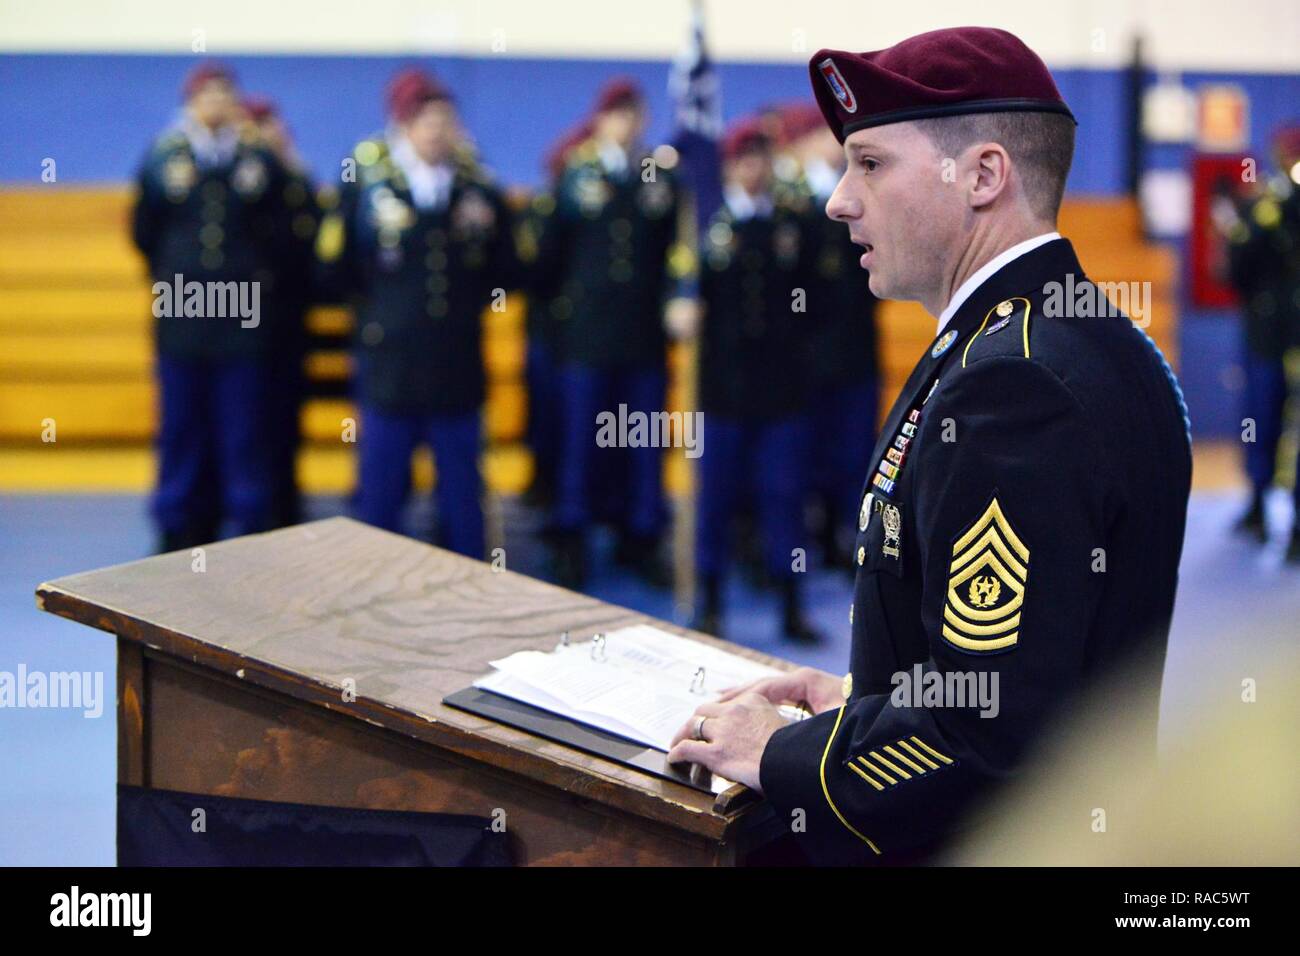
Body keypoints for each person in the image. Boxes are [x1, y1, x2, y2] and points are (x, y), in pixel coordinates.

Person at [668, 27, 1192, 863]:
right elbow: (1035, 664)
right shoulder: (1079, 335)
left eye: (870, 164)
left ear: (982, 175)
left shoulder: (1015, 385)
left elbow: (981, 730)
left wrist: (781, 751)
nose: (840, 199)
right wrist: (859, 698)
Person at [322, 68, 518, 557]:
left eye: (445, 122)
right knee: (382, 494)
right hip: (391, 363)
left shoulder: (477, 187)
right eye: (426, 122)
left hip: (456, 365)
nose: (437, 132)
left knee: (461, 498)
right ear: (405, 127)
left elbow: (510, 268)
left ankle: (467, 591)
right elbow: (335, 266)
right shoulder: (370, 185)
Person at [131, 62, 289, 551]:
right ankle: (176, 526)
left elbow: (279, 230)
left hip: (240, 320)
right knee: (181, 428)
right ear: (192, 102)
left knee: (243, 430)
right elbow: (145, 231)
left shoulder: (257, 159)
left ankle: (247, 527)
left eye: (227, 94)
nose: (218, 103)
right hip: (183, 315)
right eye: (209, 94)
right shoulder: (164, 157)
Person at [538, 79, 680, 588]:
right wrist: (556, 326)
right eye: (615, 115)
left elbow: (675, 251)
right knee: (580, 442)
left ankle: (641, 535)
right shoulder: (576, 176)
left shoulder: (660, 176)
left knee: (641, 443)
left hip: (642, 335)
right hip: (587, 336)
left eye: (632, 114)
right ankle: (572, 538)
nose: (625, 124)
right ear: (600, 121)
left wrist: (679, 299)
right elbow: (549, 259)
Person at [691, 119, 822, 643]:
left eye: (763, 158)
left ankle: (792, 606)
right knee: (714, 501)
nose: (754, 169)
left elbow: (817, 296)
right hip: (722, 392)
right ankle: (709, 603)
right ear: (730, 165)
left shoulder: (793, 225)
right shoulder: (704, 226)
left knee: (784, 499)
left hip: (780, 392)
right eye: (745, 159)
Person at [779, 102, 881, 570]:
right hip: (809, 349)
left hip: (855, 343)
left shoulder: (862, 192)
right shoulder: (791, 201)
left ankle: (845, 533)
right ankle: (813, 534)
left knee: (855, 447)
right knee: (810, 450)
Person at [242, 95, 322, 528]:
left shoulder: (295, 182)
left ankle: (284, 509)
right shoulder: (238, 179)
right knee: (244, 426)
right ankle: (247, 515)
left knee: (283, 422)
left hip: (286, 322)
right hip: (240, 323)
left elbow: (312, 251)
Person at [1225, 125, 1300, 560]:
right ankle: (1256, 505)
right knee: (1259, 418)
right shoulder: (1262, 207)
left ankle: (1296, 525)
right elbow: (1236, 273)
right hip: (1267, 337)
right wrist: (1259, 222)